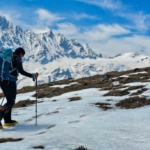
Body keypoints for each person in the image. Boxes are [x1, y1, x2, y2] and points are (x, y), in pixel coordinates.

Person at [0, 47, 38, 129]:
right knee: (11, 102)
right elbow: (21, 71)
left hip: (3, 81)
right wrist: (32, 75)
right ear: (21, 54)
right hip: (9, 82)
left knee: (9, 101)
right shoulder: (17, 58)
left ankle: (7, 120)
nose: (22, 57)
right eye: (22, 56)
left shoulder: (9, 57)